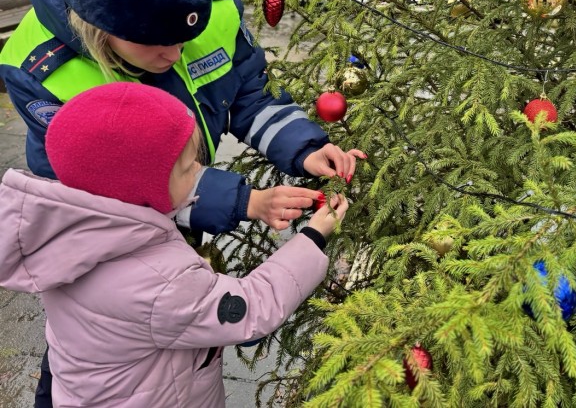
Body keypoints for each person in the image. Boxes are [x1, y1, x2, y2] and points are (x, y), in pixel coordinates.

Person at [0, 0, 364, 406]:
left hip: (164, 230)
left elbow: (245, 95)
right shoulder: (43, 71)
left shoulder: (207, 3)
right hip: (112, 235)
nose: (175, 54)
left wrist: (305, 147)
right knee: (90, 349)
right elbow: (105, 193)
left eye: (183, 36)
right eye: (155, 42)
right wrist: (244, 202)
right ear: (96, 27)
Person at [0, 82, 349, 408]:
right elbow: (252, 309)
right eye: (187, 169)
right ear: (143, 190)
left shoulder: (75, 232)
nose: (199, 169)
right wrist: (313, 236)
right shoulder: (158, 280)